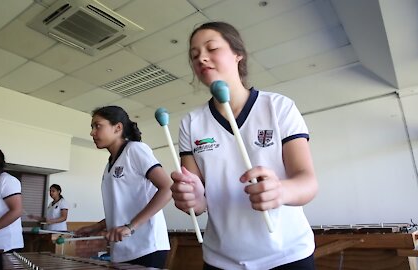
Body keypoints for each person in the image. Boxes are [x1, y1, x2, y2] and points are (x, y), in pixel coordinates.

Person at [170, 22, 318, 270]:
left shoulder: (279, 107)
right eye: (194, 55)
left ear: (238, 54)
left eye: (211, 48)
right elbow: (198, 203)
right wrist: (191, 199)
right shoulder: (191, 123)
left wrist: (280, 191)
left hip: (288, 255)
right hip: (221, 260)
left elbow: (308, 182)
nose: (201, 58)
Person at [75, 106, 171, 268]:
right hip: (121, 250)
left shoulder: (135, 150)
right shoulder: (109, 164)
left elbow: (167, 188)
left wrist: (130, 226)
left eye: (97, 126)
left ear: (118, 128)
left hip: (146, 247)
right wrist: (97, 226)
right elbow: (123, 207)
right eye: (92, 127)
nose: (92, 132)